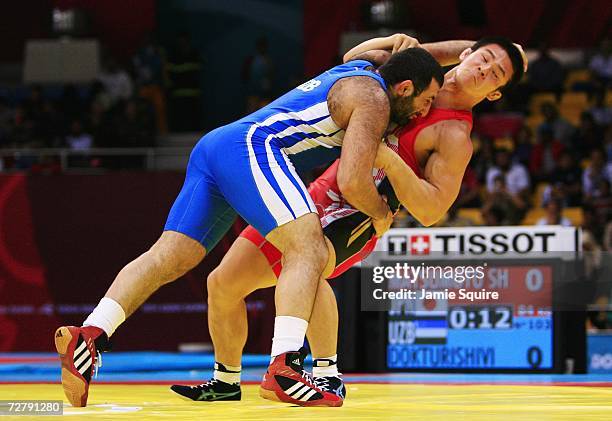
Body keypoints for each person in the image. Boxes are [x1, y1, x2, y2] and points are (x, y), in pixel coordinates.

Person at [54, 42, 445, 407]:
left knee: (168, 256)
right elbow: (352, 182)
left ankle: (90, 335)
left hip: (216, 147)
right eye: (426, 101)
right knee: (307, 247)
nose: (425, 112)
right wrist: (380, 212)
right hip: (253, 147)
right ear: (404, 86)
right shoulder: (375, 99)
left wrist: (416, 42)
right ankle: (283, 367)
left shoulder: (360, 66)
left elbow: (377, 54)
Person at [170, 34, 526, 403]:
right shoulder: (420, 72)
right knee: (222, 283)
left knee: (308, 263)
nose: (484, 71)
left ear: (495, 94)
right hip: (325, 187)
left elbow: (432, 210)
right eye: (483, 58)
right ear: (467, 54)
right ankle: (227, 382)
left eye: (496, 75)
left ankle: (327, 372)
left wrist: (389, 161)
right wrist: (401, 40)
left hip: (361, 211)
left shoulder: (454, 134)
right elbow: (357, 59)